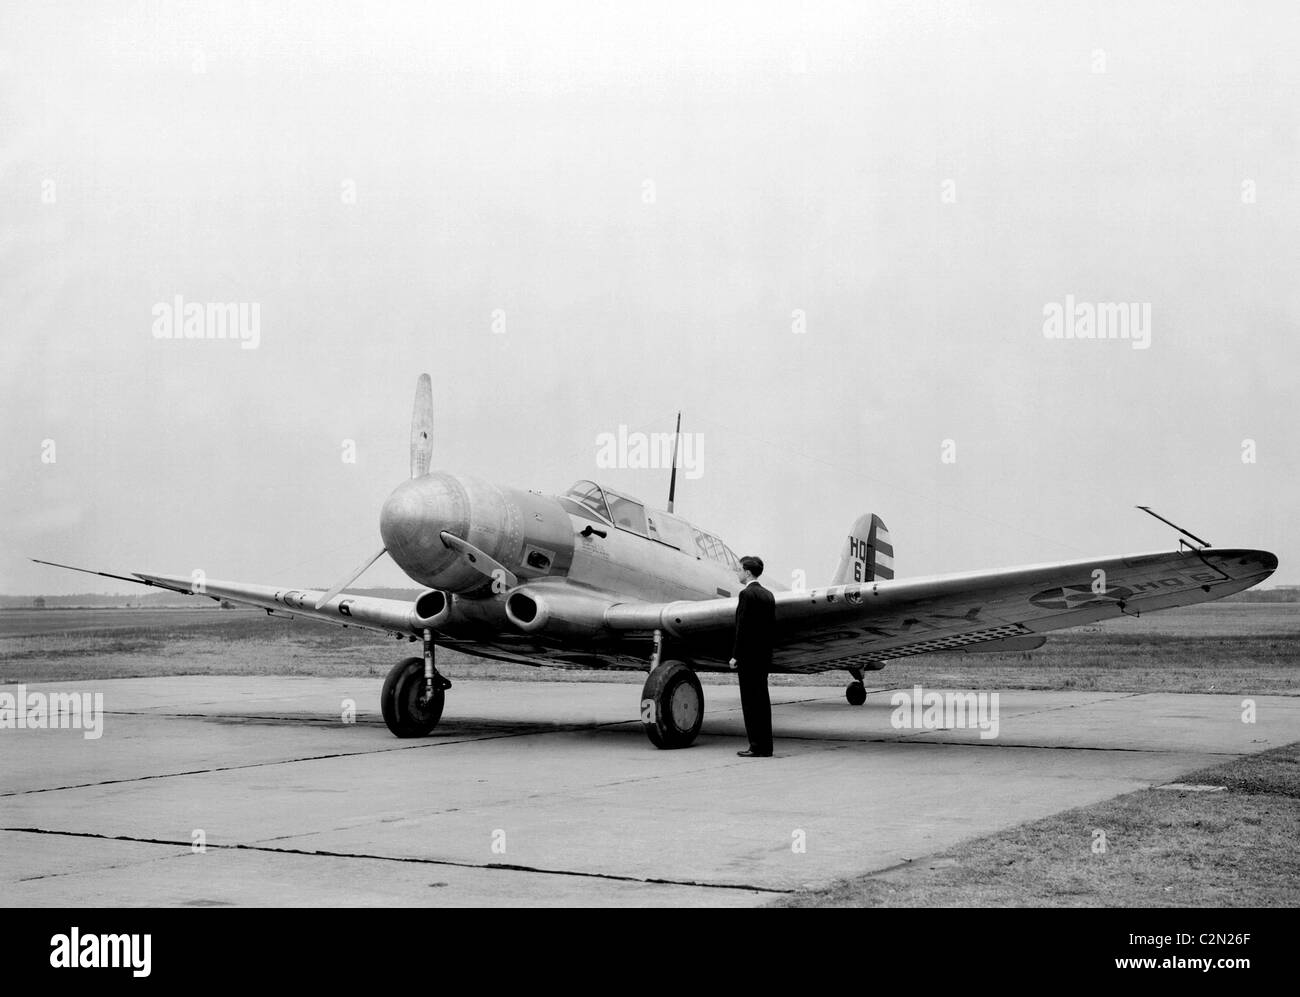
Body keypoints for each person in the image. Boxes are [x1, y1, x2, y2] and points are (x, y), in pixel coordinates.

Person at [729, 555, 775, 757]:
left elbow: (743, 628)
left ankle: (755, 746)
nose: (737, 572)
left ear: (747, 572)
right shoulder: (768, 595)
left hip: (748, 659)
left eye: (739, 569)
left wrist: (735, 655)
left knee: (750, 703)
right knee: (762, 702)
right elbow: (770, 629)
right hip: (763, 657)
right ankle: (766, 746)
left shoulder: (746, 595)